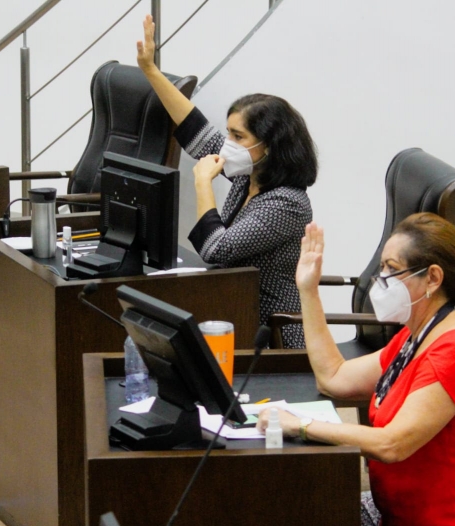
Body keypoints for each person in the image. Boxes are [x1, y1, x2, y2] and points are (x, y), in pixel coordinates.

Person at [257, 213, 455, 526]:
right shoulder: (420, 333)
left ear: (433, 278)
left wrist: (299, 425)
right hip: (397, 515)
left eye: (392, 269)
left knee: (303, 515)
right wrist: (309, 289)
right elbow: (334, 378)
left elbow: (391, 445)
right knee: (297, 510)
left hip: (453, 525)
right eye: (382, 267)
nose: (380, 279)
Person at [136, 15, 318, 348]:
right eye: (229, 133)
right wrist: (150, 70)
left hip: (270, 333)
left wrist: (203, 184)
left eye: (238, 136)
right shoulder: (247, 173)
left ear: (269, 144)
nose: (228, 145)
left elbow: (215, 248)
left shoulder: (288, 204)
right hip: (231, 310)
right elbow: (195, 129)